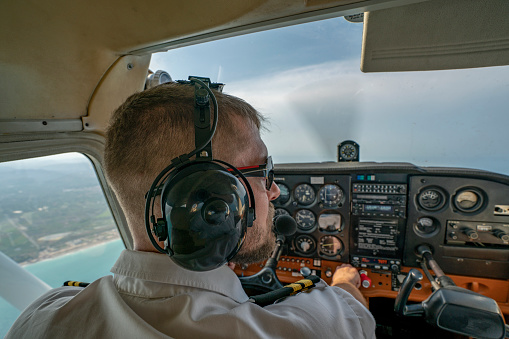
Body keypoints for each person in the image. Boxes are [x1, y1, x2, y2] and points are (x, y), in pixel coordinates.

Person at [6, 82, 376, 338]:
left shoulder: (42, 317)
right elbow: (354, 309)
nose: (275, 190)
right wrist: (344, 281)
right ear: (214, 204)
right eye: (264, 172)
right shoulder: (315, 327)